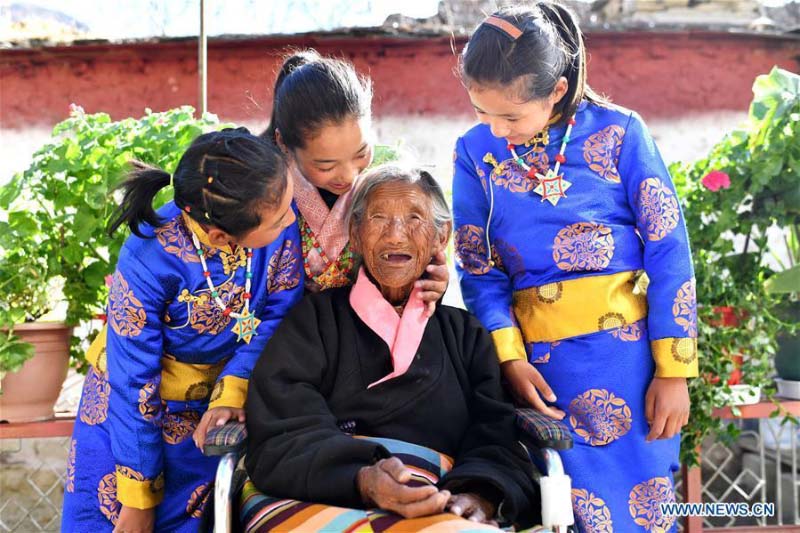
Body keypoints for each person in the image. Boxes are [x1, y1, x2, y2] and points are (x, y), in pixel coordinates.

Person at [452, 3, 697, 531]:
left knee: (645, 514)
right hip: (538, 376)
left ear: (557, 90)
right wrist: (510, 360)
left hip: (630, 371)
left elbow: (669, 249)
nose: (496, 129)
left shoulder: (621, 133)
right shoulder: (474, 153)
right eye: (481, 112)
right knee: (557, 510)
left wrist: (674, 370)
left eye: (511, 116)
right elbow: (477, 267)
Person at [243, 165, 539, 532]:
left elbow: (495, 436)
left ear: (440, 236)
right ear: (355, 232)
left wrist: (479, 493)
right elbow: (282, 428)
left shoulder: (465, 335)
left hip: (439, 500)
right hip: (323, 493)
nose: (396, 236)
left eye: (415, 219)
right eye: (378, 218)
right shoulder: (315, 320)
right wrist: (363, 478)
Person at [62, 128, 303, 532]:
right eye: (279, 220)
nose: (291, 219)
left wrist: (233, 389)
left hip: (208, 422)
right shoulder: (148, 257)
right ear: (220, 236)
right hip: (125, 425)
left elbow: (279, 311)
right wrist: (137, 498)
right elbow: (132, 380)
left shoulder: (276, 213)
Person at [263, 50, 448, 311]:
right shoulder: (268, 190)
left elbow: (419, 256)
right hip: (293, 334)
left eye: (361, 153)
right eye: (326, 165)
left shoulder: (394, 181)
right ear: (284, 144)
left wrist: (432, 281)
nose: (350, 175)